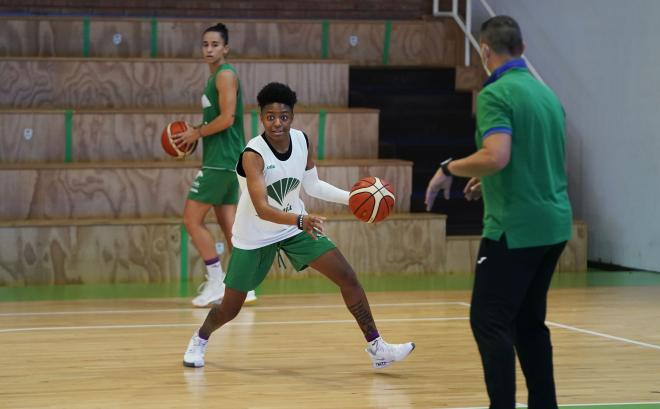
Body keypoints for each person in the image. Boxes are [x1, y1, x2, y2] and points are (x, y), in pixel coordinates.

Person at [183, 82, 415, 369]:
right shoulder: (252, 155)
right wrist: (301, 220)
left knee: (348, 277)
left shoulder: (302, 141)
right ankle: (200, 338)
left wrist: (354, 199)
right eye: (270, 117)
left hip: (293, 227)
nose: (277, 123)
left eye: (283, 116)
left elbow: (313, 185)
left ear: (292, 116)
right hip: (255, 235)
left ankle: (377, 347)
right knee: (230, 308)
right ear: (261, 117)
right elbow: (262, 208)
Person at [425, 16, 572, 409]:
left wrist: (448, 170)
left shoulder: (496, 94)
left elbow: (497, 155)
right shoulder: (546, 95)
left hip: (514, 229)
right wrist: (486, 180)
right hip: (553, 226)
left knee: (488, 320)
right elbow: (536, 158)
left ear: (485, 51)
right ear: (522, 49)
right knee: (528, 323)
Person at [172, 22, 256, 307]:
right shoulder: (217, 77)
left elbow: (228, 118)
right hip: (227, 159)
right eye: (205, 44)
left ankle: (216, 280)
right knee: (230, 227)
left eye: (215, 45)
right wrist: (196, 130)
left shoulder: (225, 75)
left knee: (191, 220)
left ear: (226, 48)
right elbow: (217, 121)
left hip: (220, 162)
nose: (209, 49)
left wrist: (196, 132)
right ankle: (245, 285)